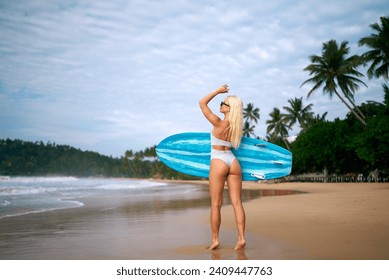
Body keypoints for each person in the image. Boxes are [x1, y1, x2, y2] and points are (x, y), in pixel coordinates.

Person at [199, 84, 246, 250]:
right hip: (233, 162)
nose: (221, 105)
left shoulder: (218, 123)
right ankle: (241, 238)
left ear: (229, 109)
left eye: (224, 103)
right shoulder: (236, 128)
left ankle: (215, 240)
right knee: (237, 203)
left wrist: (217, 91)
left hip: (218, 161)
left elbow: (202, 103)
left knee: (216, 204)